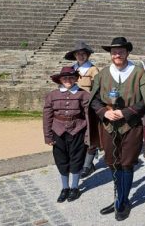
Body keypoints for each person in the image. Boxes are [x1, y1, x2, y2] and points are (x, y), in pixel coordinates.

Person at [91, 37, 145, 221]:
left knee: (126, 163)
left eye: (121, 51)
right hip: (109, 127)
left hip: (130, 126)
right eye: (114, 52)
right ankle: (118, 197)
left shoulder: (139, 74)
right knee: (112, 162)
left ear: (127, 53)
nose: (117, 54)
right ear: (111, 54)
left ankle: (123, 201)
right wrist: (104, 112)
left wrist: (126, 112)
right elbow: (93, 101)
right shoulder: (102, 74)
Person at [43, 66, 91, 203]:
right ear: (60, 80)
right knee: (61, 160)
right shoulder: (52, 95)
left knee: (76, 159)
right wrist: (48, 136)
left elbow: (88, 116)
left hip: (78, 131)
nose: (68, 80)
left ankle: (75, 187)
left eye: (71, 77)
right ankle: (65, 188)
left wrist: (88, 135)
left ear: (76, 78)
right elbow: (47, 116)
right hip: (58, 132)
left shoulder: (84, 94)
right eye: (65, 78)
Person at [64, 41, 101, 179]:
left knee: (90, 135)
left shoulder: (93, 70)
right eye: (78, 54)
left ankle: (87, 165)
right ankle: (80, 161)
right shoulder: (71, 70)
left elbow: (97, 90)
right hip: (74, 108)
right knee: (77, 136)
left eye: (83, 54)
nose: (81, 56)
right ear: (75, 55)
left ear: (88, 55)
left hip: (89, 107)